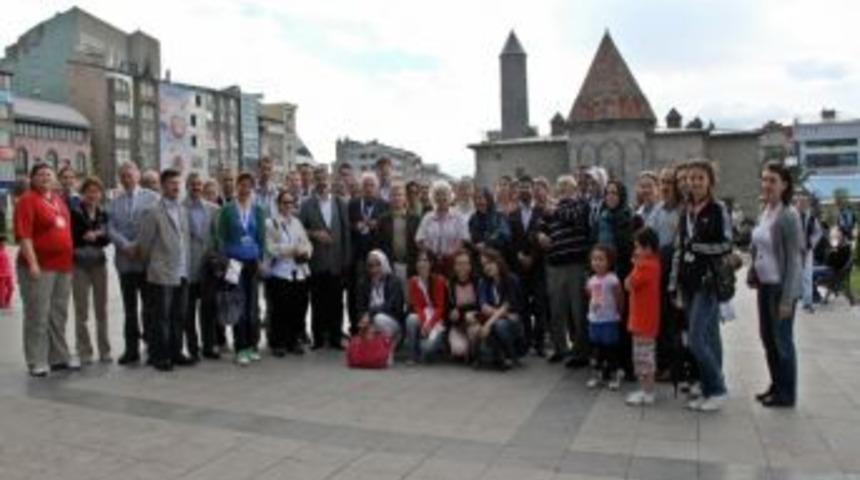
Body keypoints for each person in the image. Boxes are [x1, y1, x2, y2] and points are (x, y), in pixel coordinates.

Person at [673, 160, 732, 412]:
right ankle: (709, 388)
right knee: (704, 336)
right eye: (691, 178)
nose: (694, 182)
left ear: (710, 181)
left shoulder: (717, 209)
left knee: (697, 339)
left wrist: (699, 248)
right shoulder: (687, 209)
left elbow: (726, 245)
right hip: (688, 281)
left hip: (707, 281)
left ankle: (718, 389)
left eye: (700, 178)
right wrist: (675, 283)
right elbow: (681, 247)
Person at [748, 162, 802, 408]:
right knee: (768, 339)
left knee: (782, 341)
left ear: (784, 185)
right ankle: (776, 384)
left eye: (773, 181)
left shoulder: (788, 215)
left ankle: (787, 393)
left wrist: (788, 299)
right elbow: (759, 246)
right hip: (765, 286)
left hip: (781, 287)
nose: (767, 185)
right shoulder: (766, 211)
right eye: (765, 180)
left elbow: (794, 260)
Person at [15, 163, 75, 376]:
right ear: (32, 179)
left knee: (58, 314)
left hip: (63, 266)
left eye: (49, 174)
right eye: (40, 174)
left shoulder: (57, 200)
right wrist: (32, 263)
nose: (45, 177)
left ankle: (59, 356)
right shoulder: (27, 200)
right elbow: (24, 235)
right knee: (37, 314)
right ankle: (36, 360)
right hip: (40, 266)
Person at [137, 169, 194, 372]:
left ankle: (176, 352)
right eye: (171, 183)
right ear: (162, 186)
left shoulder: (182, 210)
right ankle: (160, 356)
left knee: (179, 315)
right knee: (161, 316)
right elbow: (144, 245)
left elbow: (184, 240)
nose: (176, 187)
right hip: (161, 273)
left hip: (182, 272)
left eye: (178, 183)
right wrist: (153, 266)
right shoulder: (153, 212)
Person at [107, 161, 160, 365]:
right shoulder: (114, 202)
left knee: (149, 307)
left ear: (138, 176)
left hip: (146, 262)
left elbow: (154, 226)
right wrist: (125, 245)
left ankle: (152, 346)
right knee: (129, 309)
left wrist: (138, 245)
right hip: (125, 262)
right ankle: (131, 350)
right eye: (123, 176)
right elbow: (110, 227)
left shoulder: (153, 198)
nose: (127, 179)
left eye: (130, 175)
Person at [538, 175, 593, 365]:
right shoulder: (551, 208)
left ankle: (580, 352)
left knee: (578, 310)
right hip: (555, 265)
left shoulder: (580, 204)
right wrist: (540, 235)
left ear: (574, 188)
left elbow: (572, 217)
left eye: (566, 185)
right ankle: (560, 348)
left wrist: (555, 208)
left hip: (575, 264)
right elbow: (541, 225)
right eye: (559, 185)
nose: (562, 189)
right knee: (557, 310)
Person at [216, 172, 267, 365]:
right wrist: (225, 260)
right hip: (233, 263)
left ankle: (253, 345)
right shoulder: (227, 210)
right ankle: (241, 348)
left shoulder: (258, 210)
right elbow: (220, 238)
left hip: (253, 262)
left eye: (249, 185)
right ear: (237, 186)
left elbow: (261, 238)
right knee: (237, 305)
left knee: (252, 305)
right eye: (242, 185)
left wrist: (261, 260)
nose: (245, 189)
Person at [300, 167, 352, 350]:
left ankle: (336, 338)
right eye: (318, 178)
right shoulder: (306, 204)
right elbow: (299, 231)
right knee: (317, 302)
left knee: (336, 302)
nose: (322, 182)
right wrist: (314, 234)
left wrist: (346, 260)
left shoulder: (340, 203)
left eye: (324, 178)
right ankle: (318, 339)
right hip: (316, 262)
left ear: (329, 179)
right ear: (314, 180)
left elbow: (346, 233)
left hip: (337, 262)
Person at [264, 190, 313, 356]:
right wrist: (293, 250)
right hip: (279, 272)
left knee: (297, 309)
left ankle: (293, 341)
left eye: (291, 203)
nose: (288, 206)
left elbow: (306, 243)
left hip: (298, 271)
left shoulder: (297, 223)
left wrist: (306, 252)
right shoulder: (270, 223)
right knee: (279, 310)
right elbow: (271, 248)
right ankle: (278, 342)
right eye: (284, 202)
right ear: (278, 204)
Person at [70, 176, 111, 365]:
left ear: (101, 194)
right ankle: (84, 350)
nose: (92, 195)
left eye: (96, 191)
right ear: (82, 193)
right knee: (82, 310)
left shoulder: (103, 213)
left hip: (98, 264)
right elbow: (75, 237)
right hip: (79, 264)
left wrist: (96, 235)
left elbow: (107, 239)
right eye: (89, 191)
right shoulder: (75, 212)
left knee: (101, 309)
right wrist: (95, 234)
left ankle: (105, 350)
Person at [508, 175, 548, 356]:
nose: (524, 190)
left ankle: (539, 344)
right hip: (519, 267)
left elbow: (545, 237)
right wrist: (518, 256)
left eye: (527, 187)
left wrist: (532, 257)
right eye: (521, 187)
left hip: (538, 266)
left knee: (540, 306)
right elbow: (511, 241)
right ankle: (526, 342)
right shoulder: (512, 214)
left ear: (533, 189)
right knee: (522, 306)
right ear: (517, 191)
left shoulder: (542, 212)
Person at [183, 172, 220, 361]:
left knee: (208, 310)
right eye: (193, 184)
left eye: (199, 184)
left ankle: (208, 346)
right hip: (187, 269)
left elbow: (218, 238)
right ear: (187, 186)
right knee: (188, 312)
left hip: (207, 268)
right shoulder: (180, 208)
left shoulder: (214, 209)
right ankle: (192, 348)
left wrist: (216, 257)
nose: (196, 187)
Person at [348, 172, 390, 333]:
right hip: (358, 256)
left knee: (377, 292)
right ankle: (355, 327)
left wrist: (376, 225)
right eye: (365, 185)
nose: (369, 188)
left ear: (377, 188)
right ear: (361, 187)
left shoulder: (384, 205)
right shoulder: (353, 204)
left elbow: (386, 230)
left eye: (372, 185)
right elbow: (348, 227)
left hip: (377, 256)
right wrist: (355, 226)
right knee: (358, 293)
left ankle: (376, 328)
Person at [625, 228, 662, 406]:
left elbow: (629, 283)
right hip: (646, 319)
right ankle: (646, 390)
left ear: (648, 248)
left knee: (643, 357)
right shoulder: (654, 263)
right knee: (644, 356)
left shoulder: (645, 265)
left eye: (638, 247)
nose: (635, 251)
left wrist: (635, 265)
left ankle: (647, 392)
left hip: (642, 320)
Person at [476, 248, 525, 370]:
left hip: (514, 326)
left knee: (499, 325)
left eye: (489, 262)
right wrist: (506, 315)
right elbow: (484, 307)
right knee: (492, 326)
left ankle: (512, 354)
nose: (487, 267)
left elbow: (506, 305)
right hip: (502, 320)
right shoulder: (483, 282)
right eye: (484, 265)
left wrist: (488, 323)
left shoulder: (511, 279)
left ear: (498, 261)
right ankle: (500, 357)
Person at [584, 245, 623, 390]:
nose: (597, 262)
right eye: (594, 259)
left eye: (601, 259)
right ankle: (598, 375)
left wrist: (619, 311)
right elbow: (589, 295)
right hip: (594, 320)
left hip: (609, 319)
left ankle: (614, 375)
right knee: (596, 350)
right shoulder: (591, 279)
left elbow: (619, 297)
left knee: (610, 349)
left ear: (609, 261)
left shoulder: (612, 279)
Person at [356, 250, 405, 362]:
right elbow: (360, 307)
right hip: (370, 323)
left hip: (393, 323)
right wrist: (363, 320)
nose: (374, 269)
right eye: (371, 266)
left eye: (378, 264)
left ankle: (388, 350)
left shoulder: (394, 282)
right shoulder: (364, 283)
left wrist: (371, 314)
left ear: (384, 264)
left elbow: (393, 306)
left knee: (379, 319)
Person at [415, 180, 470, 276]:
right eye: (438, 194)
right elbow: (419, 239)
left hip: (452, 261)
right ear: (433, 197)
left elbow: (464, 239)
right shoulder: (427, 217)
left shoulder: (458, 216)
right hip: (431, 262)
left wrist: (451, 254)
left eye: (444, 194)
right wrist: (430, 253)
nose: (441, 197)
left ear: (450, 197)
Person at [405, 250, 447, 363]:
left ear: (431, 263)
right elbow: (417, 306)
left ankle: (437, 345)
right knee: (411, 319)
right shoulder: (413, 282)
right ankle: (412, 355)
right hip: (423, 317)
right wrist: (424, 323)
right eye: (419, 260)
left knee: (427, 348)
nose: (421, 263)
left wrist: (429, 325)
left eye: (425, 260)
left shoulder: (439, 280)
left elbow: (440, 308)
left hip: (437, 320)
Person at [379, 182, 420, 288]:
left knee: (410, 300)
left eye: (400, 195)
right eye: (394, 195)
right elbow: (379, 245)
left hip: (410, 266)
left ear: (405, 198)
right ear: (389, 198)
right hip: (390, 265)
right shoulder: (383, 220)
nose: (397, 198)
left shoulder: (415, 219)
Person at [447, 250, 481, 361]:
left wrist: (461, 310)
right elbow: (449, 309)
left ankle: (475, 352)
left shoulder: (477, 282)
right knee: (459, 350)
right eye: (459, 264)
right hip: (458, 326)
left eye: (465, 263)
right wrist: (451, 313)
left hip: (474, 321)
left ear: (470, 266)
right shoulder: (450, 283)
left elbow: (479, 306)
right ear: (454, 266)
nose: (462, 267)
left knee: (474, 331)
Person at [597, 180, 634, 280]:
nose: (610, 196)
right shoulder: (602, 217)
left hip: (622, 270)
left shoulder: (627, 217)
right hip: (602, 270)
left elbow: (628, 247)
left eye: (614, 193)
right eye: (607, 193)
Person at [796, 194, 821, 312]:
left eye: (804, 203)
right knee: (795, 275)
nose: (802, 205)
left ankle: (808, 302)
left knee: (807, 275)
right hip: (794, 251)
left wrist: (811, 243)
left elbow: (818, 232)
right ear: (796, 204)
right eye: (800, 203)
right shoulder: (792, 217)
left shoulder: (811, 218)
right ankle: (795, 298)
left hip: (808, 250)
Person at [468, 188, 511, 256]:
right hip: (481, 255)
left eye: (480, 198)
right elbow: (474, 237)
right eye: (475, 199)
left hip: (499, 254)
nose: (477, 201)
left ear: (488, 199)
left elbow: (504, 234)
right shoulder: (473, 218)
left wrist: (486, 243)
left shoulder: (499, 215)